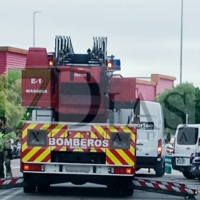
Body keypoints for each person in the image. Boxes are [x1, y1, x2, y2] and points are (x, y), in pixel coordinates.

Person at [0, 114, 18, 179]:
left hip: (6, 150)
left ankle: (9, 177)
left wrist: (14, 146)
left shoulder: (9, 130)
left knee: (7, 164)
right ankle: (1, 178)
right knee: (0, 166)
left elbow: (16, 138)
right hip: (0, 151)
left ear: (2, 121)